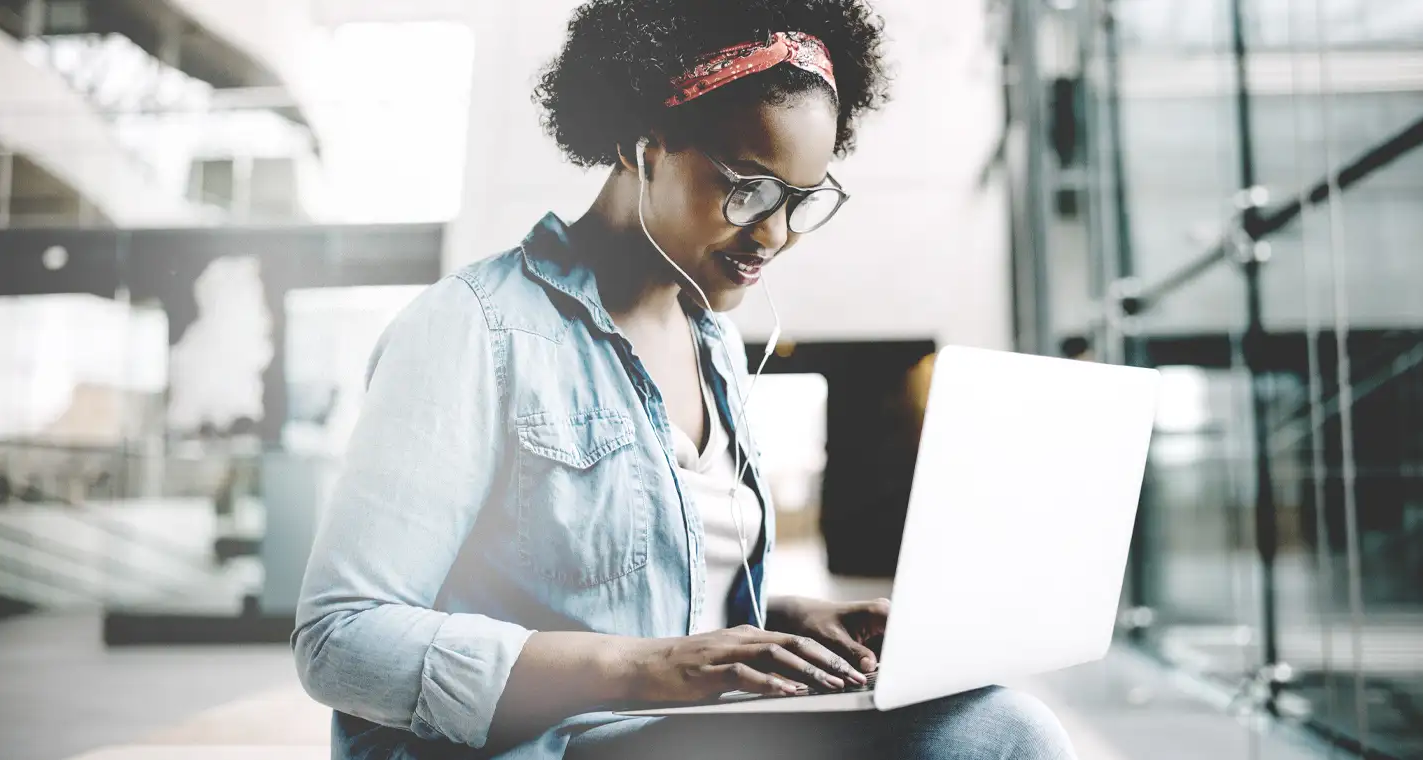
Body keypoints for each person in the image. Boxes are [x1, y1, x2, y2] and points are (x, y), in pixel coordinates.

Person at [291, 1, 1078, 758]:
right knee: (1002, 741)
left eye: (803, 202)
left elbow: (657, 593)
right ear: (645, 146)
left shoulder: (715, 346)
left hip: (686, 735)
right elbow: (341, 639)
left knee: (988, 725)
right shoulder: (472, 329)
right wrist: (648, 670)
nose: (772, 234)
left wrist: (789, 626)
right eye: (748, 188)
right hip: (554, 746)